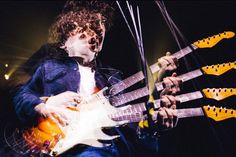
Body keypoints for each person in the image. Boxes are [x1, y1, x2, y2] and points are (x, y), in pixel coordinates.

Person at [12, 1, 181, 157]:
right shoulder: (48, 64)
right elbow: (17, 93)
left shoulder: (113, 78)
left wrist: (153, 128)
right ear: (69, 33)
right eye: (90, 27)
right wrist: (45, 104)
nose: (98, 30)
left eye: (101, 28)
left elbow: (139, 139)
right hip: (53, 143)